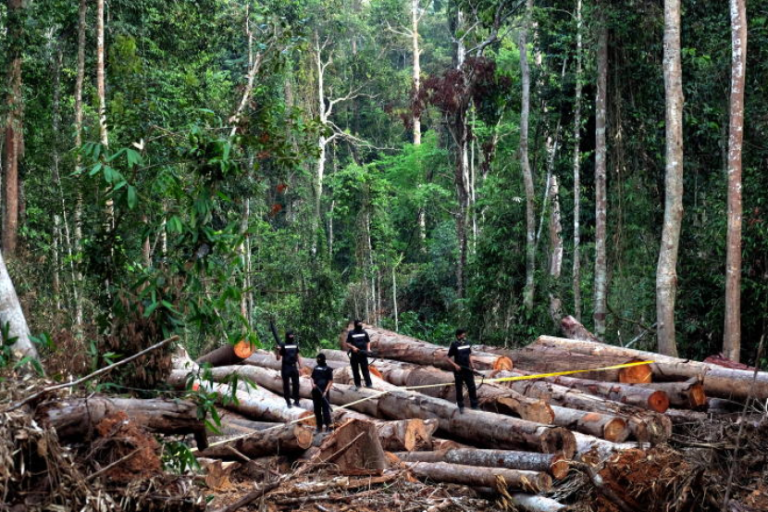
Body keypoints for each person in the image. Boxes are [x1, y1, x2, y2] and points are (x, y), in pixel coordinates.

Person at [445, 328, 479, 413]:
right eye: (463, 334)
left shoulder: (467, 343)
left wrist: (473, 367)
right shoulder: (454, 344)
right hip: (459, 370)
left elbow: (469, 356)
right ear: (458, 336)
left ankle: (474, 405)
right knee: (459, 388)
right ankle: (460, 406)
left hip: (467, 369)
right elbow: (447, 358)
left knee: (472, 387)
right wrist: (455, 365)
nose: (464, 336)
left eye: (465, 334)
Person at [275, 330, 302, 408]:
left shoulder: (295, 345)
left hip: (294, 366)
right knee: (286, 385)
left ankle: (296, 401)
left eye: (292, 335)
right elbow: (278, 358)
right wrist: (278, 350)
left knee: (296, 384)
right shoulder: (283, 345)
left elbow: (298, 356)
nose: (292, 337)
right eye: (290, 335)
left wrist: (301, 367)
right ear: (287, 336)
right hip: (286, 367)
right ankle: (288, 402)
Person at [344, 319, 372, 389]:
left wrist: (368, 349)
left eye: (361, 324)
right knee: (355, 370)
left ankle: (369, 384)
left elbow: (368, 341)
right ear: (355, 325)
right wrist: (353, 347)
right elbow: (347, 343)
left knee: (365, 370)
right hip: (355, 354)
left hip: (363, 354)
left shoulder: (364, 332)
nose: (360, 325)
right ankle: (358, 385)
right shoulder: (351, 333)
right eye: (359, 324)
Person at [311, 353, 334, 433]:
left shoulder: (328, 369)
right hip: (316, 392)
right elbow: (312, 378)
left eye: (318, 359)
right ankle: (319, 426)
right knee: (317, 410)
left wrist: (325, 391)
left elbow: (330, 381)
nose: (317, 360)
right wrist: (313, 384)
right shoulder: (316, 368)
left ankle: (329, 427)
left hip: (324, 392)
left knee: (325, 410)